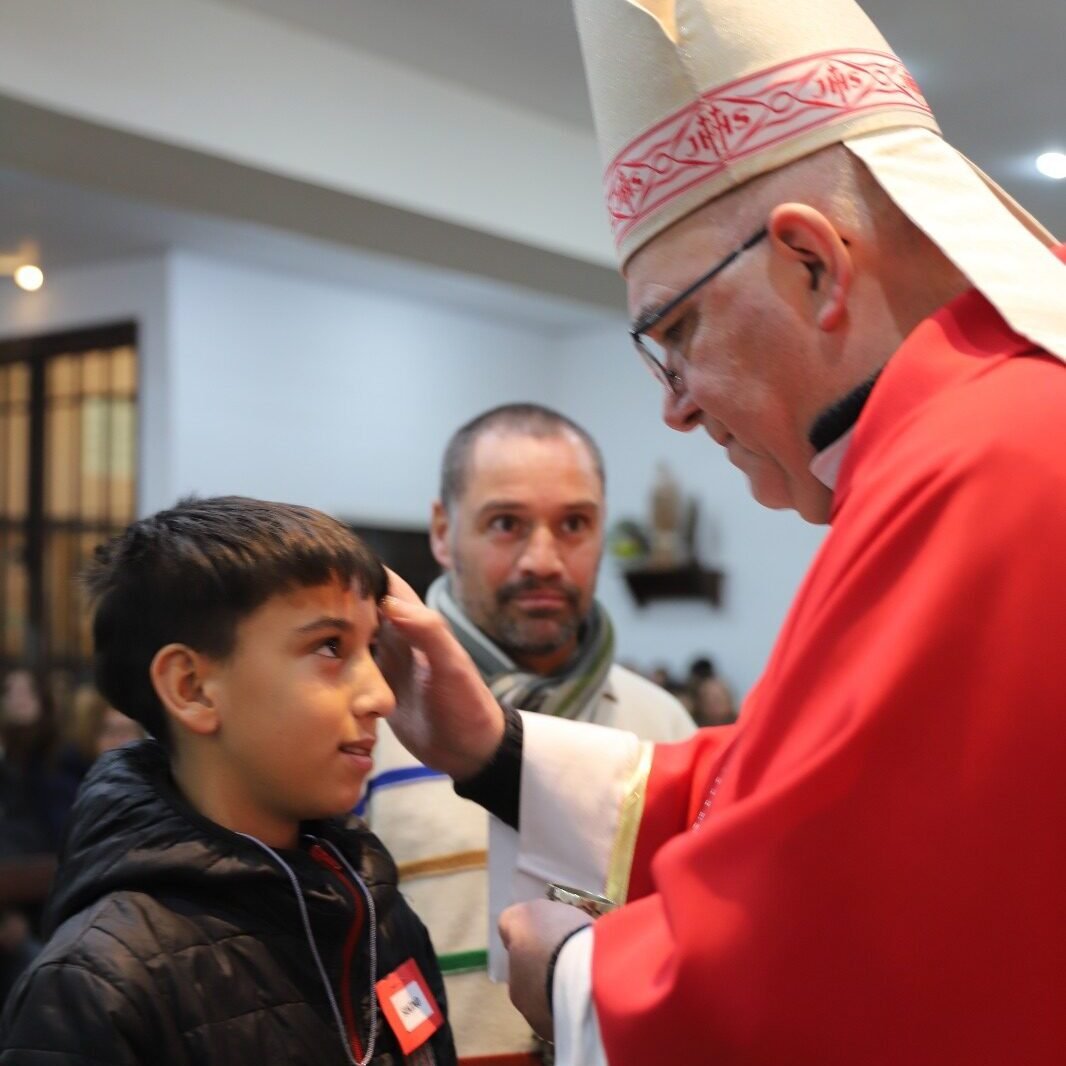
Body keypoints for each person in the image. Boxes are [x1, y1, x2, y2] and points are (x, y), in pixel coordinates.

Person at [374, 0, 1066, 1063]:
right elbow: (805, 790)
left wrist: (574, 975)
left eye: (675, 333)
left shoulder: (983, 465)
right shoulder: (982, 434)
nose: (677, 406)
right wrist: (499, 753)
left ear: (812, 266)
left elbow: (848, 944)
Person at [0, 497, 456, 1065]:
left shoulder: (374, 910)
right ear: (191, 687)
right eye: (329, 647)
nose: (381, 696)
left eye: (371, 648)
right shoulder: (101, 980)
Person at [363, 404, 693, 1062]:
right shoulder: (362, 720)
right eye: (507, 524)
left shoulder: (669, 730)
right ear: (441, 530)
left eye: (574, 524)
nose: (543, 560)